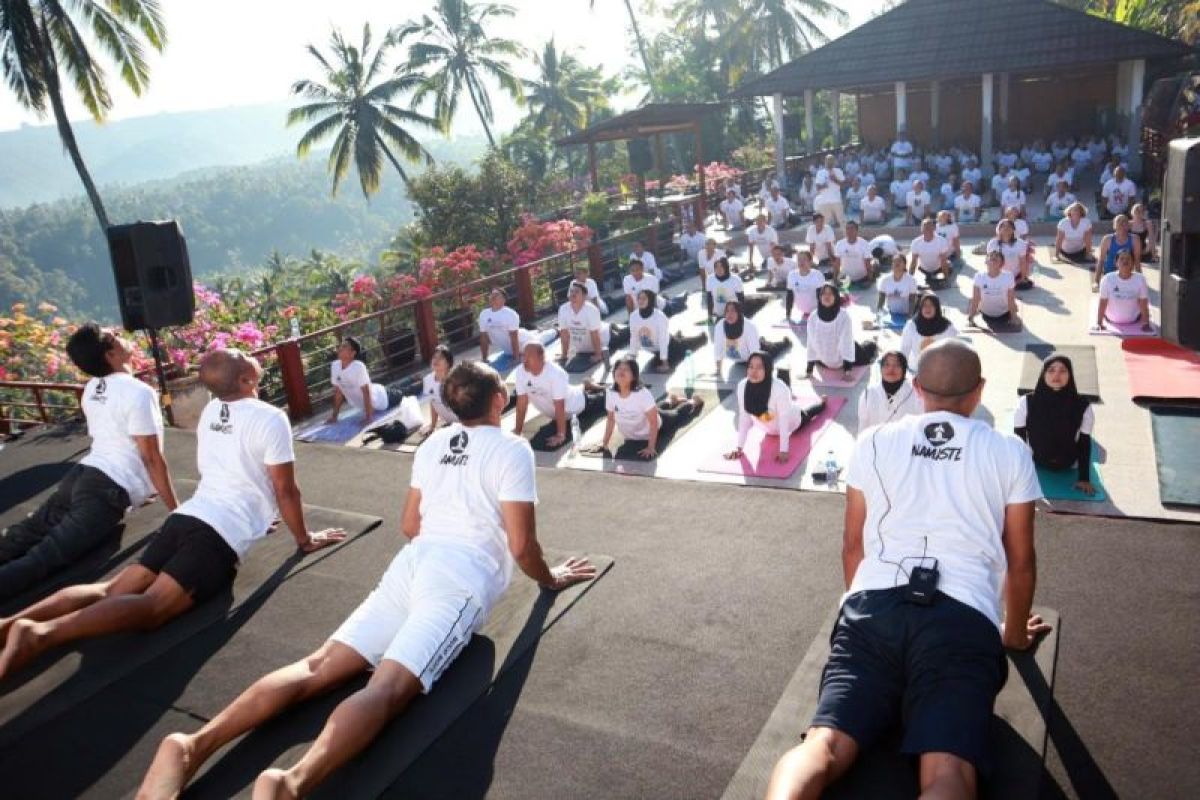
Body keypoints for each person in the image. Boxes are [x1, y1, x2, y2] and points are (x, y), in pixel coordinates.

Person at [137, 360, 596, 800]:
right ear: (499, 399)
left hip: (411, 564)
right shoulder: (512, 448)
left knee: (316, 667)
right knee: (386, 689)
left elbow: (410, 524)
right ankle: (293, 782)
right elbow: (521, 547)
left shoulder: (434, 443)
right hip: (458, 581)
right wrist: (549, 578)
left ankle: (194, 743)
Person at [766, 340, 1049, 800]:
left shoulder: (874, 441)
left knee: (825, 742)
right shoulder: (1010, 451)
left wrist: (859, 616)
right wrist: (1013, 635)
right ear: (979, 391)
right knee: (947, 768)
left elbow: (852, 545)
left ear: (916, 388)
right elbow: (1020, 560)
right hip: (959, 621)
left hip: (873, 608)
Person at [0, 349, 347, 682]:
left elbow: (235, 471)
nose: (249, 356)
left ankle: (10, 623)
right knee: (152, 608)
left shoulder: (212, 411)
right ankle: (41, 633)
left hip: (187, 517)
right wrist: (304, 539)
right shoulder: (270, 418)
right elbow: (286, 489)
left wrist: (258, 516)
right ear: (245, 380)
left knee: (111, 590)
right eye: (243, 357)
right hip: (215, 535)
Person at [0, 324, 177, 602]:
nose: (121, 336)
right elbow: (151, 457)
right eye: (115, 337)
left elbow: (115, 440)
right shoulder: (138, 392)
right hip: (103, 490)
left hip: (82, 476)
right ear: (110, 354)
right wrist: (176, 512)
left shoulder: (93, 387)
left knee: (21, 535)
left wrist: (138, 490)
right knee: (44, 557)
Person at [586, 356, 706, 460]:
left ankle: (693, 402)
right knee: (652, 410)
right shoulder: (611, 392)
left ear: (633, 376)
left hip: (658, 424)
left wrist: (651, 447)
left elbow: (653, 422)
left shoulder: (642, 394)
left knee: (677, 415)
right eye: (619, 369)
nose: (621, 372)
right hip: (638, 425)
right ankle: (671, 400)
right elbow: (611, 419)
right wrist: (604, 443)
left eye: (626, 369)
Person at [1015, 354, 1097, 496]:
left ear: (1070, 375)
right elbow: (1019, 439)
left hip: (1070, 462)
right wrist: (1019, 475)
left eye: (1063, 371)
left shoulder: (1084, 406)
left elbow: (1084, 442)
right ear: (1043, 374)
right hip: (1037, 459)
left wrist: (1084, 478)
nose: (1057, 375)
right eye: (1051, 370)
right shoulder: (1025, 402)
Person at [725, 350, 826, 464]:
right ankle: (784, 376)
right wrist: (739, 448)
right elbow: (744, 416)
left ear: (767, 369)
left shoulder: (780, 389)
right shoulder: (742, 386)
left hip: (792, 422)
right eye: (751, 366)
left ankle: (821, 403)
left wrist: (783, 450)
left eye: (759, 367)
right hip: (766, 426)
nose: (753, 371)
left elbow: (784, 421)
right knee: (779, 405)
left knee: (808, 413)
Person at [513, 341, 606, 449]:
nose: (524, 360)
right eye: (523, 355)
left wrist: (561, 435)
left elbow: (559, 405)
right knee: (570, 390)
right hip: (559, 410)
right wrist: (517, 431)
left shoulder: (556, 373)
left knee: (606, 399)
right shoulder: (520, 372)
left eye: (528, 356)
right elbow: (521, 404)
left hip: (579, 405)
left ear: (541, 358)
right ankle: (585, 385)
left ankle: (590, 388)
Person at [805, 283, 877, 380]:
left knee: (867, 352)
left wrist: (847, 372)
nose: (827, 296)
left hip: (843, 359)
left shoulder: (843, 316)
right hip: (823, 360)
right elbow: (811, 343)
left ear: (836, 297)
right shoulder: (813, 317)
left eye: (830, 294)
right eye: (824, 294)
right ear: (820, 297)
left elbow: (847, 343)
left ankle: (873, 342)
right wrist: (809, 371)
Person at [628, 289, 707, 373]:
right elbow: (634, 338)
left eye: (644, 299)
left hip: (669, 347)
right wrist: (632, 357)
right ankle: (678, 336)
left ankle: (701, 338)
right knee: (656, 363)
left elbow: (663, 340)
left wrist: (665, 364)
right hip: (655, 350)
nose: (641, 301)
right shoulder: (634, 316)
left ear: (650, 300)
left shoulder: (659, 316)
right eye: (639, 298)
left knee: (686, 347)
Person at [856, 350, 922, 432]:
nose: (891, 369)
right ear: (881, 368)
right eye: (886, 365)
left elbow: (920, 426)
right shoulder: (868, 393)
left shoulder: (916, 393)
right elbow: (863, 425)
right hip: (876, 442)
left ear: (904, 369)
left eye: (897, 365)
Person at [328, 336, 389, 425]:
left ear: (352, 353)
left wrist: (368, 417)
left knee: (406, 390)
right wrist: (334, 416)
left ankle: (414, 379)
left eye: (345, 346)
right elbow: (338, 392)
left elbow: (366, 391)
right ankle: (414, 379)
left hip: (382, 399)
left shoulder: (358, 367)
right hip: (374, 392)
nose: (340, 348)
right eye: (341, 346)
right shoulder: (335, 365)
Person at [713, 301, 787, 373]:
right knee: (758, 341)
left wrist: (751, 371)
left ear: (739, 313)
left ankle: (785, 343)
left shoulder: (749, 326)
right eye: (727, 311)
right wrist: (718, 370)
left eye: (733, 311)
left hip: (753, 355)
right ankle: (761, 340)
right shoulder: (720, 325)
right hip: (738, 359)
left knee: (772, 351)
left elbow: (755, 352)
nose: (729, 314)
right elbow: (718, 348)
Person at [1096, 250, 1153, 332]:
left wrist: (1146, 323)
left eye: (1128, 259)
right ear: (1116, 263)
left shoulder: (1140, 279)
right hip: (1111, 319)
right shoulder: (1107, 279)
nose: (1125, 261)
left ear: (1133, 263)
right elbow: (1103, 302)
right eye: (1121, 259)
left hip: (1135, 319)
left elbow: (1143, 302)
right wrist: (1099, 323)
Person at [899, 293, 959, 367]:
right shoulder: (911, 326)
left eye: (931, 305)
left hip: (941, 370)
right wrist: (902, 367)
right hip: (917, 368)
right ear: (920, 308)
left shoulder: (947, 327)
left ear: (937, 308)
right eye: (924, 305)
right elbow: (904, 348)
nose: (928, 308)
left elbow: (955, 351)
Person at [558, 281, 611, 363]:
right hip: (580, 347)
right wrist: (564, 355)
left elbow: (595, 334)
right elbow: (564, 333)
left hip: (606, 338)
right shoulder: (563, 309)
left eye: (577, 292)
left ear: (584, 296)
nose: (573, 294)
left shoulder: (592, 309)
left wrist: (598, 355)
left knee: (623, 333)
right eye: (571, 291)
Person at [967, 251, 1021, 329]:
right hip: (985, 314)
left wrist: (1014, 317)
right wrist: (971, 316)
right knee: (971, 301)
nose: (993, 257)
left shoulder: (1008, 276)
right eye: (991, 256)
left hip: (1004, 313)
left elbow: (1011, 299)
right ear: (986, 261)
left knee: (1014, 307)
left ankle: (1014, 310)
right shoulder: (978, 276)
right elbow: (976, 298)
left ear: (1002, 264)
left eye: (996, 257)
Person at [479, 288, 533, 361]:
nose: (493, 296)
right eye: (492, 294)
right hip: (508, 351)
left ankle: (553, 331)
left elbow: (514, 337)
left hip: (526, 343)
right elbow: (483, 337)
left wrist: (516, 359)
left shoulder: (510, 314)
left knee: (541, 339)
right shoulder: (484, 314)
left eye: (496, 294)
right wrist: (484, 359)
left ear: (503, 300)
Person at [1094, 214, 1142, 289]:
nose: (1122, 224)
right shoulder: (1107, 239)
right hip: (1110, 273)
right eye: (1119, 222)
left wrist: (1140, 281)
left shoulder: (1135, 239)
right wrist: (1096, 282)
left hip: (1127, 273)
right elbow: (1101, 260)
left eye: (1124, 222)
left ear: (1129, 226)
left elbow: (1137, 260)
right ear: (1114, 226)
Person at [420, 345, 458, 432]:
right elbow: (433, 403)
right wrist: (432, 427)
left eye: (440, 358)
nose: (436, 360)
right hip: (450, 424)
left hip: (465, 422)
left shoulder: (456, 379)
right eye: (434, 357)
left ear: (448, 363)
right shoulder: (427, 380)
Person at [987, 219, 1033, 289]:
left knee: (1027, 284)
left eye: (1009, 226)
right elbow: (990, 262)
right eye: (1003, 227)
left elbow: (1023, 262)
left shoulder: (1020, 243)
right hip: (998, 274)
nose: (1006, 229)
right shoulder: (993, 243)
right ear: (999, 229)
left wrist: (1023, 278)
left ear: (1013, 230)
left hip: (1015, 275)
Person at [786, 251, 827, 323]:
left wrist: (822, 314)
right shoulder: (791, 275)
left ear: (810, 262)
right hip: (802, 309)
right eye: (799, 260)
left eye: (804, 259)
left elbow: (821, 296)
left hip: (816, 309)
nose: (801, 262)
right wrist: (788, 315)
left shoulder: (817, 275)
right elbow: (790, 295)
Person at [876, 254, 919, 319]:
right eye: (894, 261)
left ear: (904, 265)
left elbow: (912, 299)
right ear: (891, 265)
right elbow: (881, 297)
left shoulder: (911, 280)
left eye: (899, 261)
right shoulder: (884, 279)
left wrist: (910, 315)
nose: (897, 263)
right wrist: (878, 313)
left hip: (906, 313)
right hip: (891, 313)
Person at [909, 219, 951, 285]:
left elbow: (943, 261)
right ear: (921, 229)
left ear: (934, 228)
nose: (927, 229)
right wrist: (910, 279)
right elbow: (914, 261)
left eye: (929, 227)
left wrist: (946, 279)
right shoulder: (915, 242)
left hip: (939, 268)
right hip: (923, 269)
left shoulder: (942, 241)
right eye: (925, 227)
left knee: (949, 264)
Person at [814, 154, 847, 230]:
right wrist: (824, 185)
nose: (830, 162)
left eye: (831, 160)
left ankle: (847, 239)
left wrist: (834, 179)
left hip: (836, 200)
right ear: (825, 161)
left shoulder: (838, 171)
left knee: (842, 222)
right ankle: (824, 240)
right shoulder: (820, 173)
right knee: (824, 223)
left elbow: (843, 185)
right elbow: (817, 188)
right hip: (824, 201)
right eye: (828, 160)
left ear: (834, 161)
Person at [834, 221, 873, 285]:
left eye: (852, 228)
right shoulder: (839, 244)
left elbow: (868, 263)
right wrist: (835, 280)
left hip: (862, 278)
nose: (849, 231)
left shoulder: (864, 243)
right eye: (847, 229)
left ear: (857, 231)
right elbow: (837, 264)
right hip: (845, 278)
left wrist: (870, 281)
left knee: (874, 263)